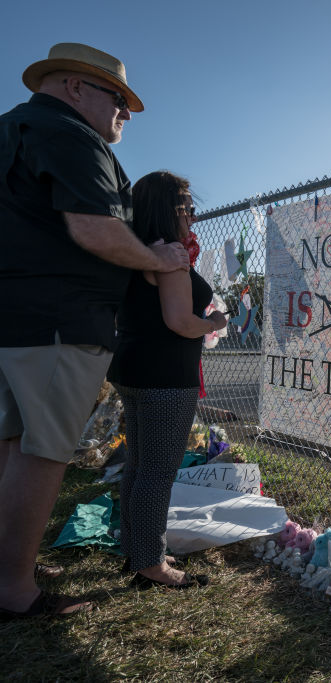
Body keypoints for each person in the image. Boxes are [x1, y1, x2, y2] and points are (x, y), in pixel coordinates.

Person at [0, 43, 189, 618]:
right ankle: (13, 591)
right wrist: (163, 261)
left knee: (10, 444)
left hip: (14, 316)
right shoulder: (71, 134)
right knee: (44, 451)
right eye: (119, 99)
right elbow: (93, 228)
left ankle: (10, 563)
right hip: (59, 319)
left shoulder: (13, 128)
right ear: (75, 87)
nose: (125, 114)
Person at [107, 171, 228, 589]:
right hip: (165, 377)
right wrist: (213, 320)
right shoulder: (170, 255)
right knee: (157, 472)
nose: (193, 217)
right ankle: (150, 564)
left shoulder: (134, 251)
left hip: (133, 369)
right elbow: (179, 322)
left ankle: (137, 549)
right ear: (168, 210)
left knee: (138, 467)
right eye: (187, 209)